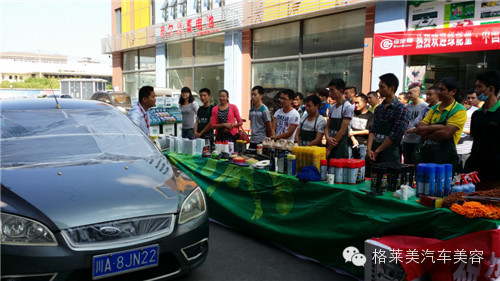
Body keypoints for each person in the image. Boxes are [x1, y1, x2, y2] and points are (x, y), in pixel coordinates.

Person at [416, 77, 466, 170]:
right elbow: (419, 130)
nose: (438, 92)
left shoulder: (459, 110)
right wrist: (439, 127)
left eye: (442, 89)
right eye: (438, 89)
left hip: (445, 159)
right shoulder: (434, 108)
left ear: (453, 92)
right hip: (427, 155)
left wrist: (427, 134)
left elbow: (446, 134)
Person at [367, 73, 410, 164]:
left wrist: (377, 151)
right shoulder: (379, 108)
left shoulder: (401, 109)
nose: (379, 90)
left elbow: (394, 135)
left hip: (390, 157)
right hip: (373, 154)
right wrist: (369, 149)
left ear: (392, 88)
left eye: (382, 87)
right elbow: (373, 130)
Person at [468, 70, 500, 190]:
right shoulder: (476, 114)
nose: (476, 91)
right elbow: (475, 140)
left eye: (479, 87)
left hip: (496, 174)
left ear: (491, 89)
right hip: (476, 172)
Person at [325, 78, 354, 159]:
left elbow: (342, 131)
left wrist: (329, 148)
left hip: (340, 145)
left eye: (332, 90)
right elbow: (327, 126)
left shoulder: (347, 107)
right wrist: (327, 137)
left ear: (341, 91)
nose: (330, 93)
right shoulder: (332, 108)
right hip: (330, 141)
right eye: (329, 91)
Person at [402, 83, 428, 164]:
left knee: (417, 162)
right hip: (406, 139)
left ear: (418, 93)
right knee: (407, 163)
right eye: (408, 93)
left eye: (411, 93)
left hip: (418, 140)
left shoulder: (425, 106)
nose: (409, 95)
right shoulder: (406, 107)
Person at [455, 89, 478, 173]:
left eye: (473, 98)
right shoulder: (456, 110)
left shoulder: (476, 112)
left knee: (465, 173)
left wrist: (462, 130)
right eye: (468, 98)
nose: (470, 100)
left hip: (467, 149)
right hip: (454, 147)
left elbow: (476, 131)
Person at [349, 93, 373, 160]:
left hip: (363, 144)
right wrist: (353, 138)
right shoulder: (353, 113)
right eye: (355, 103)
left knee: (361, 167)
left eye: (358, 103)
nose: (356, 105)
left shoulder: (370, 116)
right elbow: (348, 126)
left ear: (365, 103)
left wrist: (353, 133)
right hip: (351, 143)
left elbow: (368, 131)